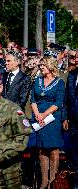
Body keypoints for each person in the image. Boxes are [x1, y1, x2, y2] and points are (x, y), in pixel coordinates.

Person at [30, 57, 65, 189]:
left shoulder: (59, 82)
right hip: (38, 117)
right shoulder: (37, 80)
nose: (40, 67)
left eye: (43, 65)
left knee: (53, 149)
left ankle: (53, 181)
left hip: (52, 118)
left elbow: (58, 102)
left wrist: (44, 115)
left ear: (50, 66)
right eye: (40, 65)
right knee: (41, 149)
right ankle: (44, 181)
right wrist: (37, 114)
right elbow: (33, 99)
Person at [65, 51, 78, 188]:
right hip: (73, 121)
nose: (76, 59)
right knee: (74, 153)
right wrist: (66, 118)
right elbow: (67, 99)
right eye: (75, 57)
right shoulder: (71, 76)